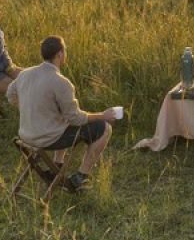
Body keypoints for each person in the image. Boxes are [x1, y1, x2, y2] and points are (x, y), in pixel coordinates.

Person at [7, 36, 118, 192]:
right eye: (65, 50)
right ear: (60, 54)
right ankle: (80, 177)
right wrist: (103, 115)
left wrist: (27, 109)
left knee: (61, 118)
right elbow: (77, 118)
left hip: (25, 135)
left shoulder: (25, 74)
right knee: (104, 128)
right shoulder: (61, 82)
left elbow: (10, 94)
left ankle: (56, 166)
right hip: (46, 138)